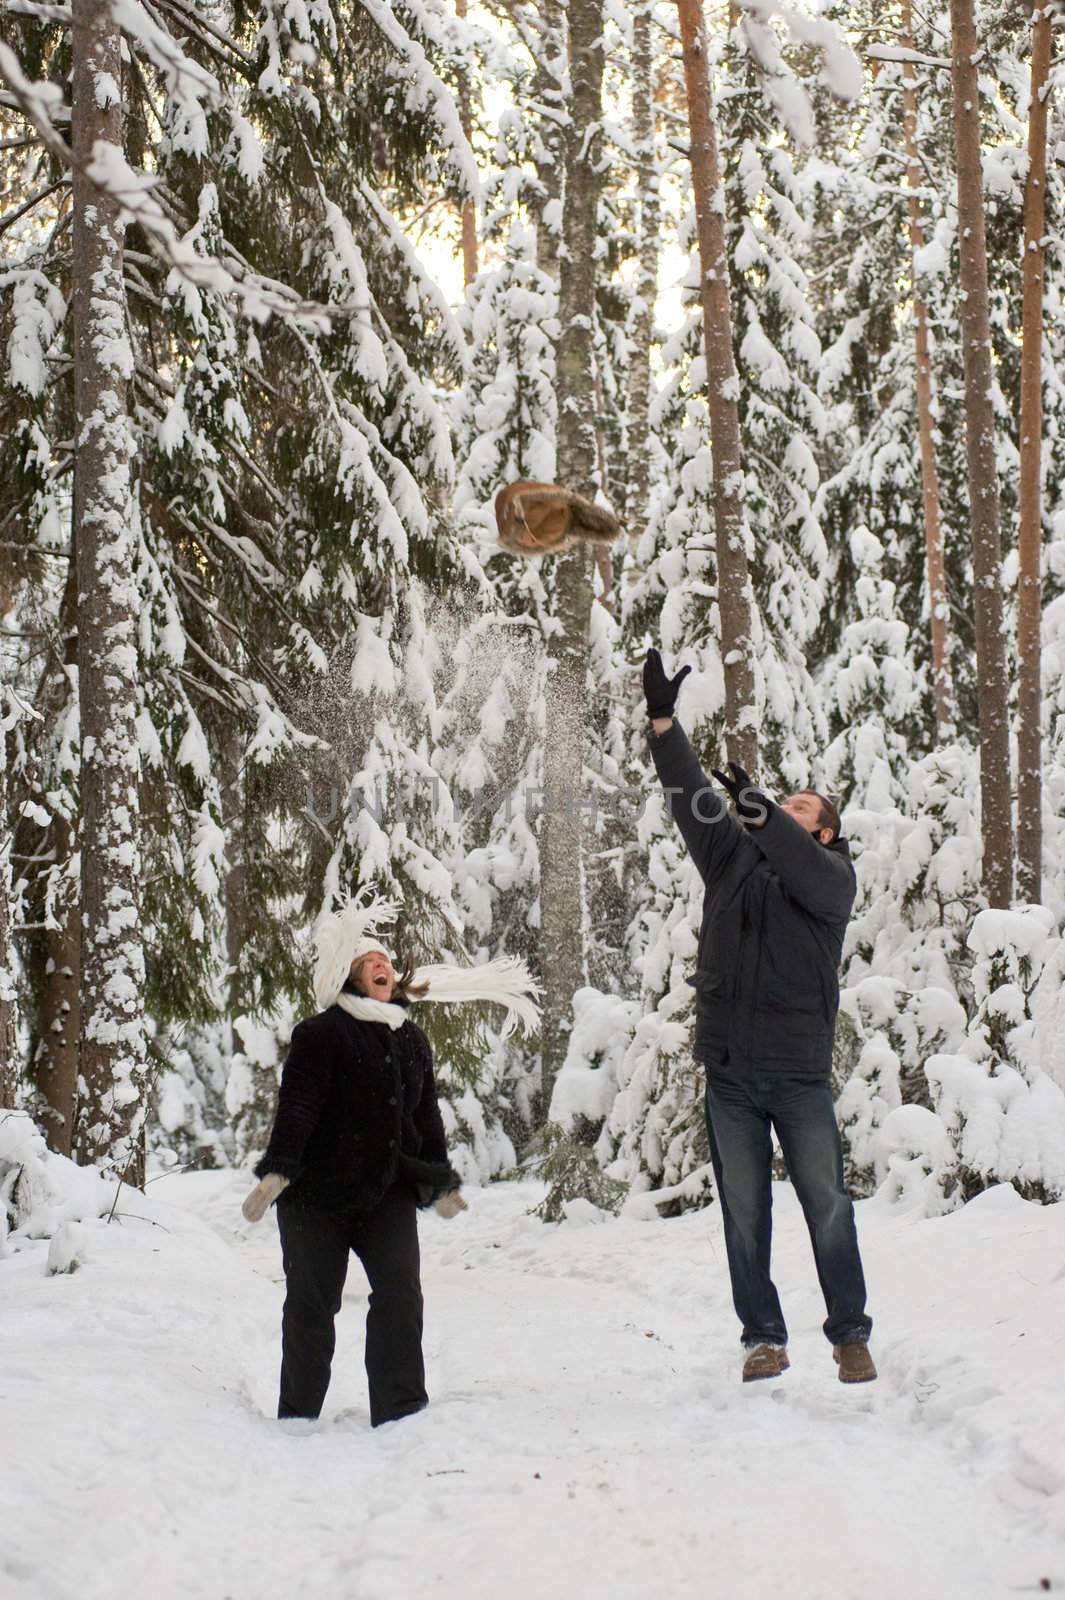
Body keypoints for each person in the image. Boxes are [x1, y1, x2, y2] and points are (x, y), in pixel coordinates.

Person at [642, 648, 876, 1385]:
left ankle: (848, 1335)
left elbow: (797, 862)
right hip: (732, 1075)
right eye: (785, 803)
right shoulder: (730, 861)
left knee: (826, 1205)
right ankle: (763, 1339)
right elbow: (689, 795)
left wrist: (764, 813)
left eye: (802, 808)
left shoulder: (832, 879)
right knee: (744, 1214)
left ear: (824, 832)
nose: (787, 810)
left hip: (798, 1074)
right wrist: (661, 725)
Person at [242, 890, 540, 1426]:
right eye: (367, 962)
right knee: (312, 1308)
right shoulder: (320, 1034)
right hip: (315, 1197)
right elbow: (299, 1106)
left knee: (401, 1296)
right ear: (349, 978)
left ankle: (402, 1412)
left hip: (386, 1192)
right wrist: (279, 1169)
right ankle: (297, 1415)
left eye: (384, 960)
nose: (381, 965)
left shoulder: (411, 1039)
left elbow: (423, 1119)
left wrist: (439, 1182)